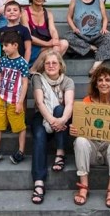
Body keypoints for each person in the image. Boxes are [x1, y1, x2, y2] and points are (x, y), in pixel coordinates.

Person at [70, 66, 110, 208]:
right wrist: (76, 130)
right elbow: (82, 129)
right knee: (80, 140)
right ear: (96, 84)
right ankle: (83, 186)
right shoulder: (87, 101)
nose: (103, 83)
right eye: (100, 80)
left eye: (107, 80)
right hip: (92, 149)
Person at [30, 51, 74, 204]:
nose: (50, 66)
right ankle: (39, 182)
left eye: (54, 63)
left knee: (60, 109)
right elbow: (40, 103)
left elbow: (69, 104)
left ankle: (60, 153)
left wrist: (61, 120)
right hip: (41, 117)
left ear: (60, 65)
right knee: (39, 136)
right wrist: (52, 120)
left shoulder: (68, 81)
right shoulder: (38, 78)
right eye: (47, 63)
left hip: (61, 119)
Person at [0, 30, 29, 165]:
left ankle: (21, 151)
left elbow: (24, 83)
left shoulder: (22, 63)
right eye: (3, 46)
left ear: (15, 45)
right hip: (1, 98)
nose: (4, 48)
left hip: (14, 101)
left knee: (20, 127)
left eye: (6, 45)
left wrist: (20, 102)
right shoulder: (4, 60)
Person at [64, 0, 110, 76]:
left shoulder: (98, 0)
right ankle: (92, 48)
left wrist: (104, 28)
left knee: (109, 37)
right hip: (81, 36)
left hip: (97, 35)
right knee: (67, 37)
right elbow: (69, 17)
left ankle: (95, 67)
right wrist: (74, 28)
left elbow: (105, 17)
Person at [21, 0, 69, 73]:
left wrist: (55, 40)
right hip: (32, 48)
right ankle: (33, 70)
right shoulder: (25, 13)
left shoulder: (48, 13)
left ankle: (45, 71)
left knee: (64, 43)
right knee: (53, 49)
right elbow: (28, 36)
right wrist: (48, 44)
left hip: (46, 46)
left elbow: (53, 30)